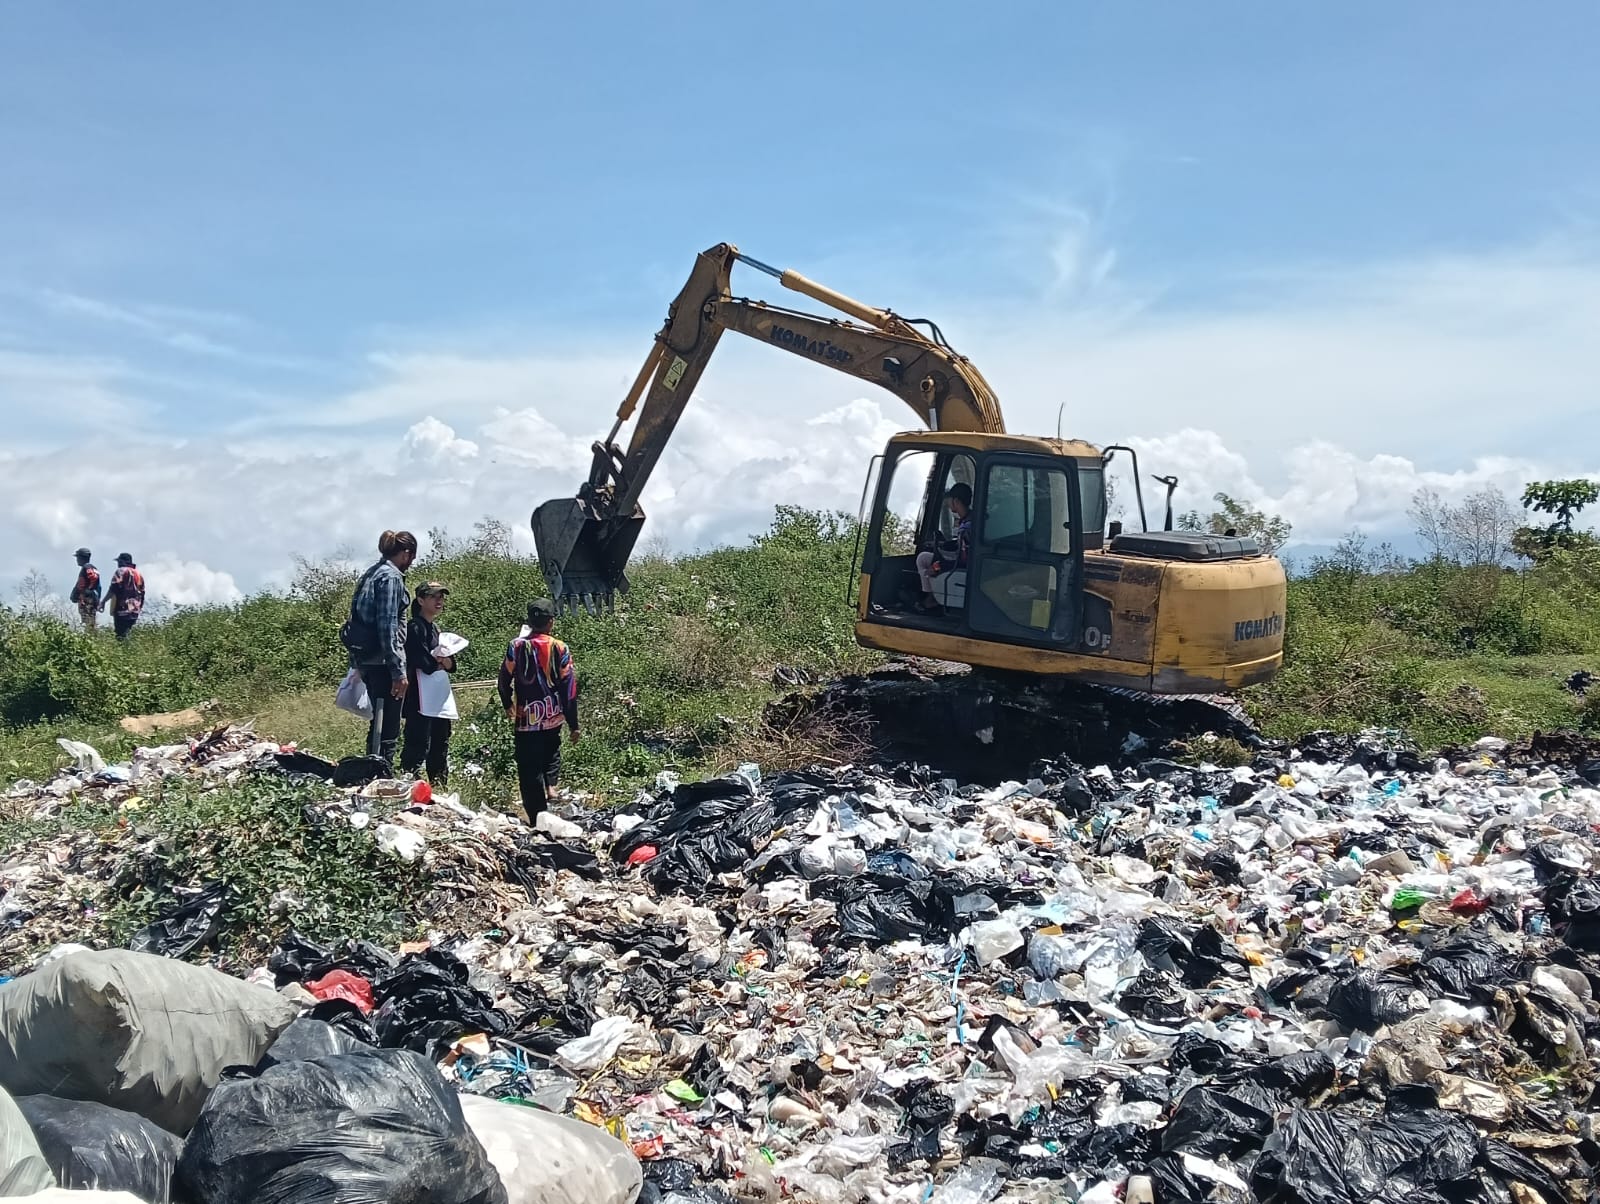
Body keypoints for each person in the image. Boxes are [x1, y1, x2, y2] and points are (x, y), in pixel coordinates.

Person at [497, 598, 580, 823]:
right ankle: (551, 786)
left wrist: (507, 703)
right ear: (551, 621)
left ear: (530, 621)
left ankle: (536, 817)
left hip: (526, 719)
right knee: (551, 750)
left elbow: (503, 679)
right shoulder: (560, 648)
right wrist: (573, 723)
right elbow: (569, 689)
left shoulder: (516, 646)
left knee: (528, 767)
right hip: (552, 716)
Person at [347, 530, 417, 767]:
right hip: (383, 662)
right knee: (388, 725)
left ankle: (373, 768)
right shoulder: (391, 577)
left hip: (367, 659)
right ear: (406, 554)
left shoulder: (371, 573)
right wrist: (398, 670)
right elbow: (387, 625)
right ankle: (381, 772)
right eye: (412, 557)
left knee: (379, 720)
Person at [400, 582, 457, 786]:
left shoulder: (435, 629)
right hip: (419, 696)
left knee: (440, 741)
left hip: (439, 696)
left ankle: (439, 784)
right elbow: (425, 663)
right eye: (433, 596)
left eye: (441, 596)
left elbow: (452, 664)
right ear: (421, 600)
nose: (439, 600)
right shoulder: (414, 627)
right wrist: (439, 662)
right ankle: (409, 783)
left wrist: (442, 662)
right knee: (418, 741)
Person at [915, 483, 973, 611]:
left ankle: (932, 600)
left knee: (923, 560)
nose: (948, 504)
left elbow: (964, 560)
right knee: (924, 557)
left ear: (956, 501)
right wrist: (942, 545)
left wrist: (937, 566)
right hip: (959, 561)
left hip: (962, 567)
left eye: (949, 500)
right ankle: (931, 597)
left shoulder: (967, 528)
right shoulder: (969, 520)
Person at [102, 552, 145, 639]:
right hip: (134, 610)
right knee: (127, 632)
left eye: (119, 561)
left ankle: (125, 647)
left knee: (120, 635)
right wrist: (139, 608)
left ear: (123, 562)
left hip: (122, 608)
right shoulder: (139, 574)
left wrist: (103, 602)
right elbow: (142, 593)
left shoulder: (120, 571)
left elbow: (113, 588)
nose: (118, 564)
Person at [68, 548, 101, 633]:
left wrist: (87, 591)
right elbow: (99, 587)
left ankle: (91, 637)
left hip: (87, 599)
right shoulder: (93, 568)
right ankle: (91, 636)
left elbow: (92, 578)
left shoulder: (87, 567)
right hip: (91, 598)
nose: (77, 559)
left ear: (82, 557)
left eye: (78, 557)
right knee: (90, 621)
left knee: (89, 621)